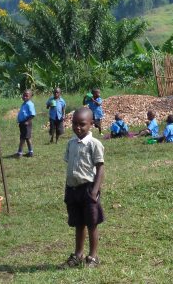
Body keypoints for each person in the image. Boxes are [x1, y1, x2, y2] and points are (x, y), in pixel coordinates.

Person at [61, 108, 105, 268]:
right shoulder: (71, 143)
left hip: (88, 190)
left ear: (91, 124)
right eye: (74, 124)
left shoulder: (95, 144)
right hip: (73, 190)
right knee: (78, 223)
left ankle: (93, 257)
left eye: (82, 124)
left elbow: (100, 168)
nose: (78, 127)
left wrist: (94, 191)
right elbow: (70, 166)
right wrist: (68, 186)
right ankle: (78, 255)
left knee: (92, 224)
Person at [16, 89, 36, 158]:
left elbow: (32, 114)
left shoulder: (30, 104)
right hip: (22, 123)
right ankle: (30, 152)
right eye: (24, 95)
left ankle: (20, 153)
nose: (24, 97)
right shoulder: (24, 103)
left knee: (24, 138)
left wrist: (27, 121)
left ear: (30, 96)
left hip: (26, 124)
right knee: (26, 138)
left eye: (26, 96)